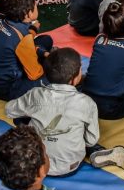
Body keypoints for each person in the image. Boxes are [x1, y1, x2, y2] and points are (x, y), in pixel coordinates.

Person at [6, 47, 101, 176]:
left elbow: (9, 110)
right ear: (75, 78)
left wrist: (34, 109)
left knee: (20, 116)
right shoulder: (87, 103)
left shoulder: (35, 94)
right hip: (70, 166)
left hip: (36, 164)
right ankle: (96, 151)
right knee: (83, 130)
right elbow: (91, 140)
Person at [0, 0, 53, 101]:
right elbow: (35, 74)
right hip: (8, 88)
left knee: (46, 40)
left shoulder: (7, 21)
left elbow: (21, 43)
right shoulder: (24, 38)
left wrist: (44, 53)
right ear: (28, 14)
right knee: (53, 78)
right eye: (36, 5)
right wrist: (50, 66)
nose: (37, 7)